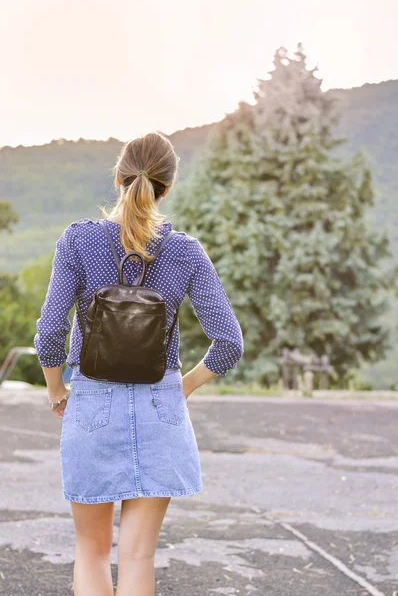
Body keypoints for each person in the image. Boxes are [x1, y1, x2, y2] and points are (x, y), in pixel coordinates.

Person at [33, 131, 244, 596]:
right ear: (167, 187)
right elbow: (228, 342)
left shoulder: (78, 240)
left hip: (91, 405)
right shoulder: (187, 251)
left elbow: (49, 332)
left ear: (118, 177)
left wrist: (55, 390)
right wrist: (181, 388)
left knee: (90, 551)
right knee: (138, 556)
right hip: (160, 412)